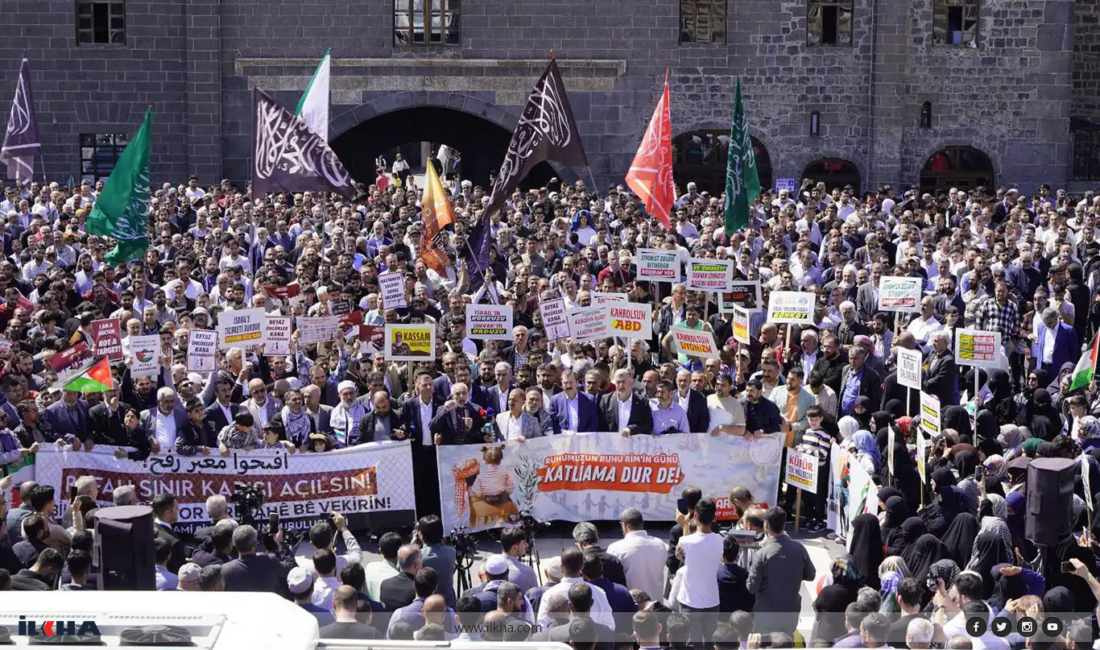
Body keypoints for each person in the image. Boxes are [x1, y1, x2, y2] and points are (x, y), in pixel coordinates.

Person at [747, 506, 816, 635]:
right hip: (790, 611)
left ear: (766, 524)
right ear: (784, 524)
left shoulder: (762, 554)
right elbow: (811, 575)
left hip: (766, 613)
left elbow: (752, 587)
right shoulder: (799, 549)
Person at [673, 498, 723, 644]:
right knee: (711, 643)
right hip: (712, 600)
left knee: (692, 644)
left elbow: (684, 547)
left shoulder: (685, 542)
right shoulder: (719, 540)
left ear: (696, 516)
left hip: (690, 601)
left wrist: (685, 525)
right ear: (714, 518)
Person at [606, 508, 667, 601]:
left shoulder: (615, 549)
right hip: (656, 605)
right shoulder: (660, 544)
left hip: (631, 606)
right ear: (642, 524)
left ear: (624, 526)